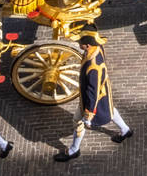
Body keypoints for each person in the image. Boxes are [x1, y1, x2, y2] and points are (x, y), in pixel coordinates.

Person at [55, 31, 131, 160]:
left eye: (81, 43)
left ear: (88, 45)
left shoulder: (93, 66)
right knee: (109, 109)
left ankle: (73, 150)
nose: (79, 44)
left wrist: (88, 114)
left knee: (78, 121)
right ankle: (125, 130)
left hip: (94, 99)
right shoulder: (97, 47)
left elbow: (92, 91)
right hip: (104, 93)